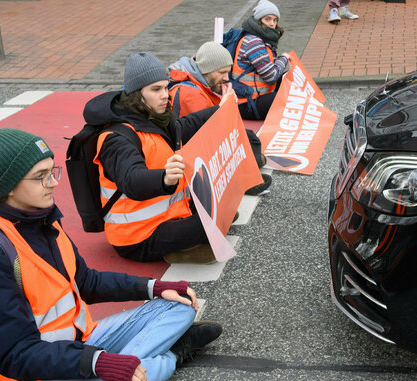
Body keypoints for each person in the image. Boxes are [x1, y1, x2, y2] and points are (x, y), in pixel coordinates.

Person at [0, 128, 223, 381]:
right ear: (8, 186)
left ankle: (129, 367)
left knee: (179, 307)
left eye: (52, 170)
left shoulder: (41, 219)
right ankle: (171, 355)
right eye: (41, 176)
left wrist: (153, 287)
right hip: (34, 379)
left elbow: (86, 281)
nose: (54, 183)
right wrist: (98, 363)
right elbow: (16, 356)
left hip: (84, 341)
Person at [85, 52, 269, 264]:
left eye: (165, 87)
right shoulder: (116, 138)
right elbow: (131, 179)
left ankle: (187, 244)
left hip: (168, 216)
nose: (165, 94)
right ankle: (182, 248)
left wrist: (220, 108)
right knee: (216, 220)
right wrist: (164, 178)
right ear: (136, 94)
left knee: (224, 208)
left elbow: (185, 125)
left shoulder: (154, 117)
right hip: (136, 236)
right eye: (156, 89)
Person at [167, 41, 271, 173]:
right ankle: (246, 174)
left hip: (197, 143)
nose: (226, 78)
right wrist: (228, 106)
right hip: (191, 153)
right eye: (222, 72)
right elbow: (209, 134)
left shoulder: (197, 83)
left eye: (228, 72)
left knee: (248, 137)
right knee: (244, 140)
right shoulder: (190, 93)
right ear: (206, 69)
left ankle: (250, 166)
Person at [234, 0, 292, 120]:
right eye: (268, 19)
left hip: (256, 96)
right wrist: (283, 58)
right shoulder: (253, 42)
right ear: (258, 20)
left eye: (275, 20)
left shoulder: (261, 39)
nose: (272, 23)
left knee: (293, 77)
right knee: (291, 98)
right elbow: (271, 77)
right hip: (246, 103)